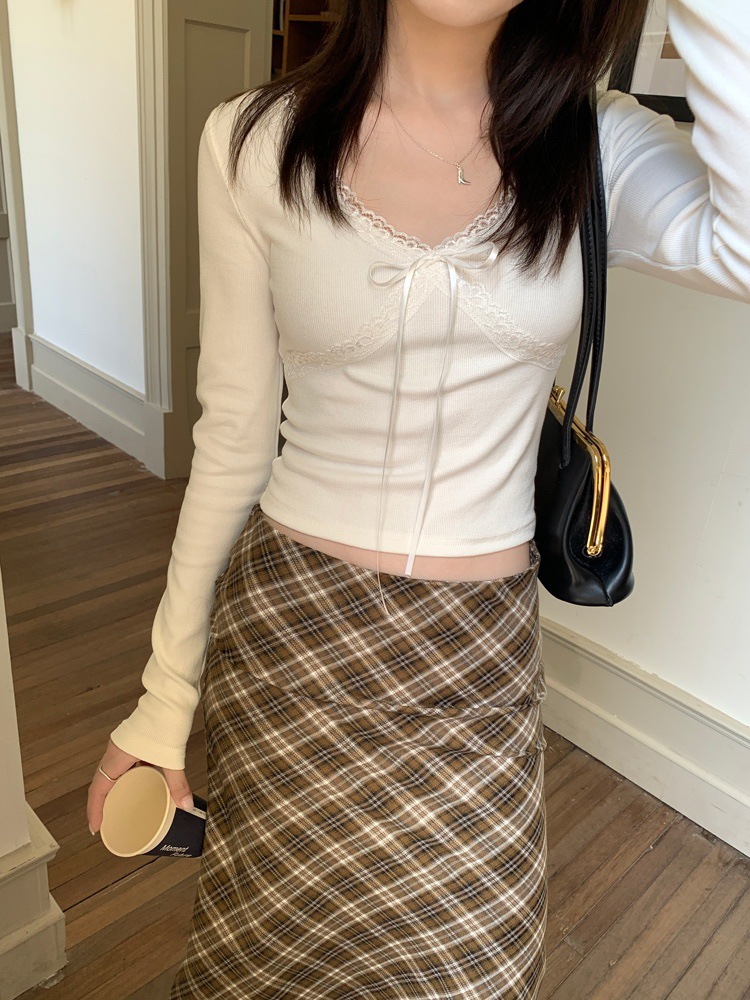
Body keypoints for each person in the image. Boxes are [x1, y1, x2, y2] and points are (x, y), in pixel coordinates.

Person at [87, 0, 750, 996]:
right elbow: (230, 444)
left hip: (475, 665)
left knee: (472, 973)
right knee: (265, 972)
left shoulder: (595, 144)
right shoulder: (251, 141)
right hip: (291, 652)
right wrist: (164, 697)